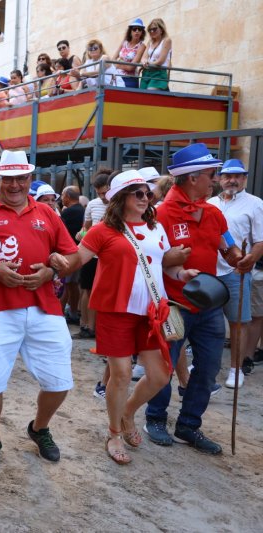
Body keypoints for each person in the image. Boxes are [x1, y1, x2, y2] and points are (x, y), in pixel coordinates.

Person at [56, 170, 197, 464]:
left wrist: (182, 274)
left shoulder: (157, 228)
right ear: (121, 198)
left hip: (151, 313)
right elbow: (77, 260)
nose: (146, 198)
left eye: (148, 194)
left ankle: (128, 413)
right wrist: (54, 262)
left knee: (160, 375)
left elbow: (164, 267)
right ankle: (114, 432)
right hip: (116, 310)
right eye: (138, 193)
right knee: (120, 375)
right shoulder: (102, 231)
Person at [0, 150, 79, 469]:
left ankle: (39, 428)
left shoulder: (48, 213)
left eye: (21, 178)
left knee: (59, 381)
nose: (14, 185)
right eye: (8, 178)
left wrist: (52, 272)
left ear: (29, 179)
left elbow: (71, 255)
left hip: (44, 308)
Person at [144, 143, 245, 454]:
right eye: (210, 175)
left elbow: (228, 246)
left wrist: (239, 256)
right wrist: (164, 258)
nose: (214, 180)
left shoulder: (214, 213)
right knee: (164, 364)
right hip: (172, 305)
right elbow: (142, 258)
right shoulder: (159, 214)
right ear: (192, 178)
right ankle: (156, 419)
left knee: (210, 366)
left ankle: (189, 424)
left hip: (209, 305)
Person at [207, 159, 263, 388]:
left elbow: (260, 241)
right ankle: (206, 367)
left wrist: (251, 259)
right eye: (228, 175)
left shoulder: (255, 203)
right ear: (220, 179)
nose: (233, 180)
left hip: (236, 271)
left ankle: (236, 369)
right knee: (207, 323)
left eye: (238, 176)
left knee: (238, 322)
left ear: (244, 178)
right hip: (209, 271)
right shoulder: (210, 203)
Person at [77, 171, 112, 340]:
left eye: (105, 192)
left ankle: (99, 327)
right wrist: (82, 234)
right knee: (87, 289)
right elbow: (86, 228)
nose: (103, 196)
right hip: (92, 255)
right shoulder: (92, 204)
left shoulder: (120, 204)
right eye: (99, 193)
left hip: (109, 257)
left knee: (105, 292)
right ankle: (86, 325)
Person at [60, 186, 84, 323]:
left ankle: (59, 312)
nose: (61, 198)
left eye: (62, 195)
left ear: (67, 197)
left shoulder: (68, 213)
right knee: (73, 284)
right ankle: (73, 312)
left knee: (65, 284)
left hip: (67, 254)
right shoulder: (82, 210)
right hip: (79, 253)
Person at [112, 18, 147, 88]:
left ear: (142, 32)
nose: (137, 31)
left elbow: (131, 67)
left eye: (139, 29)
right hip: (117, 77)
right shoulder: (124, 42)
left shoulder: (142, 46)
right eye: (134, 29)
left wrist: (118, 64)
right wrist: (123, 65)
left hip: (130, 79)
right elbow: (113, 59)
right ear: (130, 31)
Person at [140, 18, 172, 91]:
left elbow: (161, 60)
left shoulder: (166, 40)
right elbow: (143, 58)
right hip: (147, 73)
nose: (152, 31)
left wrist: (149, 63)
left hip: (159, 73)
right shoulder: (150, 42)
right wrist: (144, 62)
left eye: (154, 29)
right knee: (142, 95)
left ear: (161, 30)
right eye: (150, 30)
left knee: (150, 92)